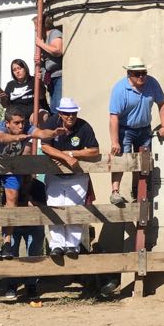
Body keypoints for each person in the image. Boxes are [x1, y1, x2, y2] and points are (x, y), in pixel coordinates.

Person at [0, 105, 56, 259]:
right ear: (7, 123)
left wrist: (53, 132)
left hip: (11, 166)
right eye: (17, 123)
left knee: (12, 197)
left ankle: (7, 241)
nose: (21, 126)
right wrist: (16, 138)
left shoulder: (26, 127)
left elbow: (40, 133)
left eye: (23, 123)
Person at [40, 98, 100, 258]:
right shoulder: (51, 123)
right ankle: (57, 245)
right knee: (55, 208)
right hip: (55, 176)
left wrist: (71, 153)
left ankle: (73, 245)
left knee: (75, 209)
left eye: (73, 113)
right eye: (67, 113)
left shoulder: (84, 126)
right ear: (60, 113)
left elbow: (94, 150)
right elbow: (45, 146)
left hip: (77, 176)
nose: (70, 117)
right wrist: (66, 157)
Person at [108, 57, 164, 206]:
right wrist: (115, 141)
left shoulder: (152, 83)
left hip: (144, 129)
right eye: (137, 73)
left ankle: (138, 191)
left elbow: (161, 103)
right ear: (129, 74)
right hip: (125, 129)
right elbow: (114, 117)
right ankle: (115, 191)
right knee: (121, 158)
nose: (142, 76)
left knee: (142, 161)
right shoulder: (120, 89)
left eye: (144, 73)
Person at [5, 178, 46, 300]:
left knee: (34, 254)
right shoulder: (11, 183)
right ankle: (11, 285)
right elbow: (5, 205)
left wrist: (34, 203)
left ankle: (31, 285)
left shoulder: (39, 185)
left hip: (34, 223)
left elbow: (45, 206)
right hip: (14, 224)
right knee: (10, 253)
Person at [35, 17, 63, 108]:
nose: (35, 29)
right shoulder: (45, 38)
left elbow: (57, 50)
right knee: (53, 105)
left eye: (36, 26)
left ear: (43, 26)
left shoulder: (54, 33)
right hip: (50, 76)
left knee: (57, 106)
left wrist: (41, 44)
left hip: (58, 75)